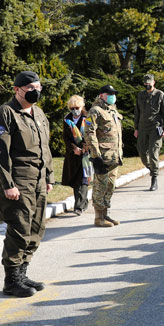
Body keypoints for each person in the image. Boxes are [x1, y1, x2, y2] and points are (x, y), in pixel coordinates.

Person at [0, 70, 54, 298]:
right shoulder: (7, 113)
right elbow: (0, 152)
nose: (35, 92)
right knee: (19, 230)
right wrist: (8, 184)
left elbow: (44, 148)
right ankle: (12, 280)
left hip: (38, 181)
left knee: (36, 229)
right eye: (30, 89)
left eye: (38, 88)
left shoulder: (38, 113)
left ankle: (23, 272)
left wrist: (49, 176)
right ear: (17, 90)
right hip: (19, 182)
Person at [85, 85, 124, 227]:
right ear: (101, 95)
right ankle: (98, 217)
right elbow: (89, 133)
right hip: (103, 156)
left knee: (110, 185)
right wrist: (96, 156)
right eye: (110, 93)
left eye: (114, 93)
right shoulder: (95, 111)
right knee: (100, 186)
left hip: (114, 156)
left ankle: (106, 214)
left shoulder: (113, 110)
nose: (113, 95)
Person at [134, 74, 164, 191]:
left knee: (153, 152)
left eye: (149, 83)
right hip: (142, 127)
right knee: (142, 152)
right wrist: (136, 128)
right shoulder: (140, 95)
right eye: (146, 83)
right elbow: (137, 113)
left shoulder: (160, 95)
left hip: (155, 128)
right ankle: (152, 169)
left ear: (154, 82)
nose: (147, 85)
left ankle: (154, 178)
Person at [61, 95, 90, 216]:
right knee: (75, 181)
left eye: (76, 107)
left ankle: (79, 206)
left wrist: (83, 148)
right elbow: (65, 137)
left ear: (82, 106)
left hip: (85, 154)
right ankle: (84, 202)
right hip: (72, 154)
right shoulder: (67, 119)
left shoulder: (87, 118)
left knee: (83, 180)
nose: (74, 110)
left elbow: (90, 135)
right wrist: (74, 148)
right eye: (72, 108)